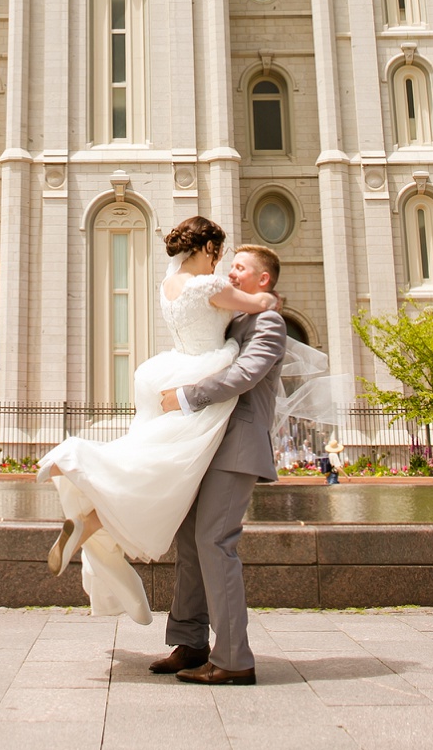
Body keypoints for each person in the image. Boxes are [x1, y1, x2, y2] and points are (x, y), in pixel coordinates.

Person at [39, 216, 285, 639]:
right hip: (201, 409)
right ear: (207, 248)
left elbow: (245, 374)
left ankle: (231, 657)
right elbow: (243, 314)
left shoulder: (257, 318)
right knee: (179, 519)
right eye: (228, 260)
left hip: (224, 429)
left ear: (262, 278)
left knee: (199, 527)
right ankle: (188, 643)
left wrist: (187, 395)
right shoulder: (220, 296)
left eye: (239, 267)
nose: (228, 270)